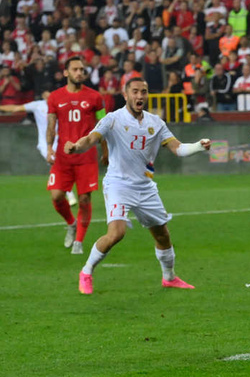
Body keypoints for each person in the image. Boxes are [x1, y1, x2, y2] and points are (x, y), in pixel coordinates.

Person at [65, 78, 211, 295]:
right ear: (126, 95)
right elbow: (91, 139)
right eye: (135, 92)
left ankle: (169, 278)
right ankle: (86, 272)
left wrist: (199, 146)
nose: (140, 96)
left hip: (145, 187)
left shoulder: (156, 123)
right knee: (116, 233)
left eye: (144, 91)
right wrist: (76, 146)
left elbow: (178, 148)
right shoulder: (112, 119)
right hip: (118, 184)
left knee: (162, 235)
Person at [46, 56, 108, 255]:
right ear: (66, 72)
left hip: (87, 157)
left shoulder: (96, 98)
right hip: (63, 157)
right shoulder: (55, 97)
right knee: (56, 196)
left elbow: (104, 125)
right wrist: (49, 147)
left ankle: (79, 242)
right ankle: (71, 223)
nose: (80, 72)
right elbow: (51, 124)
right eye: (75, 69)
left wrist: (105, 152)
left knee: (84, 200)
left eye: (82, 69)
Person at [0, 91, 76, 207]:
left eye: (50, 94)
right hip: (45, 144)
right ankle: (69, 195)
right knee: (56, 165)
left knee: (60, 167)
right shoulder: (38, 105)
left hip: (60, 142)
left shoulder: (61, 105)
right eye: (45, 94)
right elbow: (16, 108)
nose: (48, 96)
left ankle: (64, 193)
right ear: (43, 96)